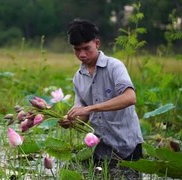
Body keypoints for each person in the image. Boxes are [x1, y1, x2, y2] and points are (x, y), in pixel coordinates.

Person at [60, 18, 144, 178]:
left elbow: (130, 97)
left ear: (97, 43)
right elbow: (83, 114)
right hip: (100, 147)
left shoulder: (115, 66)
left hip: (127, 144)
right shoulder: (78, 77)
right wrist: (70, 121)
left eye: (86, 48)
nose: (82, 54)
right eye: (77, 50)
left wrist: (91, 108)